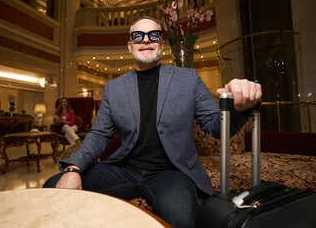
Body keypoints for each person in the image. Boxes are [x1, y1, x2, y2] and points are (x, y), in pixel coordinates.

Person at [43, 16, 262, 228]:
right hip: (124, 169)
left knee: (182, 222)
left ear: (161, 43)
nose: (145, 40)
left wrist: (239, 109)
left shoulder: (188, 79)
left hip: (172, 173)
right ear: (130, 46)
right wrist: (73, 168)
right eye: (138, 36)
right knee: (53, 186)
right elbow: (99, 135)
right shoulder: (114, 88)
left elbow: (216, 125)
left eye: (152, 35)